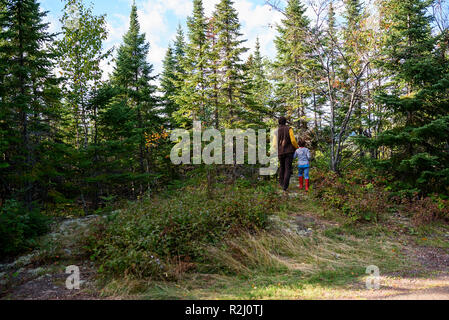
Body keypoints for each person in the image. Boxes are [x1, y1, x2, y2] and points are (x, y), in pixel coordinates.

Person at [277, 117, 299, 191]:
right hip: (289, 152)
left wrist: (278, 149)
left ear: (279, 122)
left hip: (280, 152)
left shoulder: (277, 131)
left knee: (282, 167)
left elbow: (274, 144)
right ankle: (285, 186)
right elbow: (293, 140)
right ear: (285, 122)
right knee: (287, 168)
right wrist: (297, 147)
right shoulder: (289, 129)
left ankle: (281, 183)